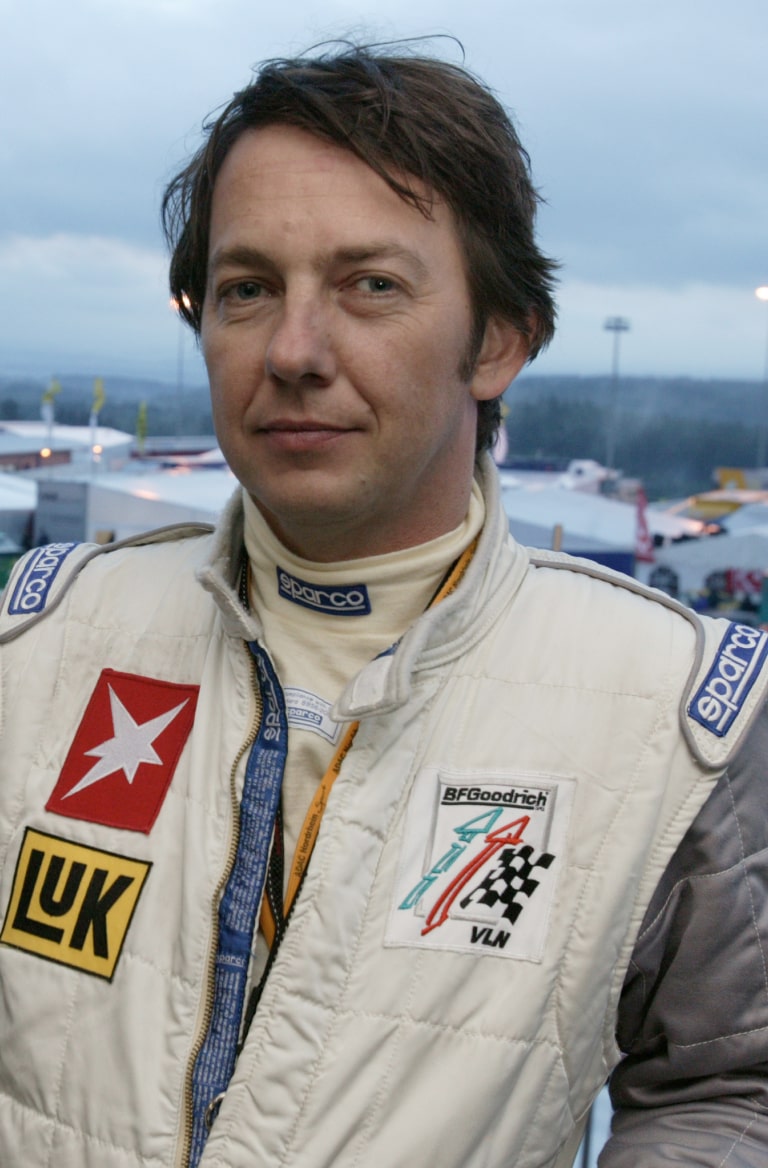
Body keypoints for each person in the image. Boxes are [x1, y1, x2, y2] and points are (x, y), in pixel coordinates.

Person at [1, 44, 767, 1168]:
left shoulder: (671, 717)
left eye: (371, 285)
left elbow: (732, 1087)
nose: (295, 352)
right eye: (247, 288)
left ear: (498, 339)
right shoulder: (40, 641)